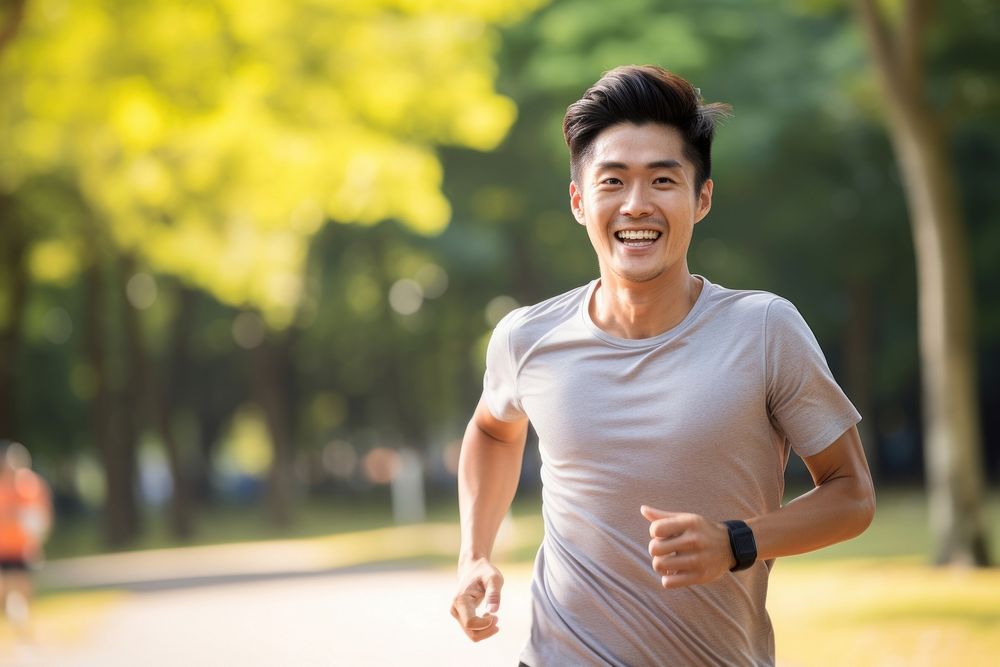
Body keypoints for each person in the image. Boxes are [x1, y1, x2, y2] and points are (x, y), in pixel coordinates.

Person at [449, 65, 875, 666]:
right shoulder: (527, 337)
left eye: (662, 180)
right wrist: (475, 553)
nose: (636, 205)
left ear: (701, 198)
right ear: (579, 201)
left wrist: (737, 542)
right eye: (613, 181)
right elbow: (493, 429)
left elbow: (852, 494)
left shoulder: (763, 330)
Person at [0, 440, 53, 638]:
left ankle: (25, 630)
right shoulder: (2, 487)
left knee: (25, 590)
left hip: (24, 548)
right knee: (4, 591)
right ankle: (16, 626)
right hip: (3, 549)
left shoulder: (32, 485)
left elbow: (42, 515)